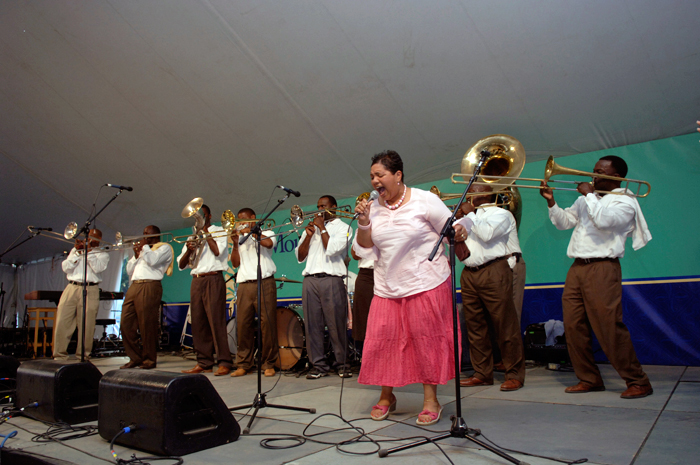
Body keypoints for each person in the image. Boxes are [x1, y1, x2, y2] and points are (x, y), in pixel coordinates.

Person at [353, 150, 467, 426]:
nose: (374, 181)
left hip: (425, 282)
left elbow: (451, 230)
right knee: (382, 341)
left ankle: (431, 400)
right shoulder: (373, 207)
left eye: (380, 175)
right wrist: (364, 222)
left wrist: (461, 231)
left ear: (397, 175)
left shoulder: (425, 200)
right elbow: (363, 249)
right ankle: (386, 396)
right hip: (387, 286)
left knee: (426, 340)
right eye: (371, 176)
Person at [540, 155, 653, 399]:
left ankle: (638, 380)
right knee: (573, 326)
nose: (592, 174)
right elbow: (564, 223)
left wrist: (590, 195)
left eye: (600, 171)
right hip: (577, 267)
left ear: (616, 177)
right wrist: (552, 203)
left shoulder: (626, 201)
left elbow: (604, 221)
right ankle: (589, 379)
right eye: (593, 170)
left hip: (603, 267)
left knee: (608, 326)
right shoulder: (587, 201)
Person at [456, 185, 526, 392]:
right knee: (475, 327)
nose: (472, 193)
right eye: (471, 190)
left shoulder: (501, 214)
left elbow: (486, 234)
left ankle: (514, 374)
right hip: (469, 272)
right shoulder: (468, 217)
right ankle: (482, 373)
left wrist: (470, 214)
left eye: (477, 190)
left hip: (494, 269)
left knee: (505, 324)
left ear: (489, 194)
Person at [295, 195, 353, 379]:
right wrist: (309, 235)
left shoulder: (344, 227)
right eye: (318, 205)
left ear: (334, 207)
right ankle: (317, 365)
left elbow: (333, 249)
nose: (320, 209)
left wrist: (322, 227)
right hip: (310, 279)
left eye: (324, 206)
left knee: (336, 324)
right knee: (313, 325)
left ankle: (342, 363)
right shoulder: (310, 229)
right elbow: (300, 256)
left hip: (332, 279)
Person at [178, 204, 233, 376]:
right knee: (199, 323)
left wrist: (205, 232)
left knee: (216, 322)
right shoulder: (192, 236)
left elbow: (218, 251)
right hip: (196, 280)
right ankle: (204, 362)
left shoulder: (219, 230)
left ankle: (224, 361)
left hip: (213, 278)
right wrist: (189, 250)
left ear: (208, 216)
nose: (197, 218)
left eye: (200, 215)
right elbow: (181, 264)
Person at [229, 208, 279, 378]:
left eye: (243, 219)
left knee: (267, 324)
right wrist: (235, 244)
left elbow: (269, 244)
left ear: (253, 218)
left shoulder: (268, 232)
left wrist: (252, 232)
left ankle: (269, 363)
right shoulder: (240, 238)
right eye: (239, 220)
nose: (240, 223)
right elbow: (235, 263)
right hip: (243, 284)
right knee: (243, 325)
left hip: (264, 282)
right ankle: (244, 363)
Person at [120, 225, 174, 370]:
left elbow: (153, 261)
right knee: (125, 322)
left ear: (155, 235)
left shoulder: (164, 248)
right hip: (135, 285)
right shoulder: (143, 250)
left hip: (150, 285)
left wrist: (144, 249)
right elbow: (129, 270)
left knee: (147, 324)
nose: (143, 236)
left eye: (146, 233)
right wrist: (136, 255)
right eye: (143, 233)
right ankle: (135, 357)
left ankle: (149, 359)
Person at [53, 229, 109, 360]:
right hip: (71, 287)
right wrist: (77, 253)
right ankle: (59, 355)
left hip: (91, 289)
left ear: (99, 239)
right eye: (88, 237)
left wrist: (88, 252)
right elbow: (65, 267)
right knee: (63, 321)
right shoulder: (75, 251)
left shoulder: (103, 254)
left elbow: (98, 268)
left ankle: (83, 356)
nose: (89, 240)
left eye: (93, 238)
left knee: (87, 324)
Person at [349, 244, 374, 355]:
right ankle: (367, 357)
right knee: (364, 319)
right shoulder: (362, 229)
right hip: (366, 274)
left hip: (387, 273)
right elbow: (355, 255)